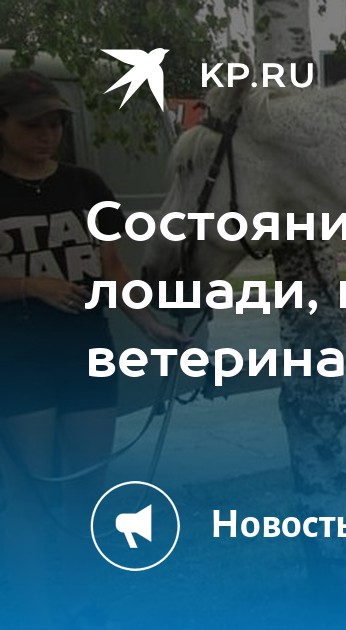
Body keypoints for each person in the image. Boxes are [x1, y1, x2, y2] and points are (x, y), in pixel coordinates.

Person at [0, 69, 190, 626]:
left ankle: (81, 606)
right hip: (18, 361)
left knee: (87, 493)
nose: (47, 135)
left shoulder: (86, 186)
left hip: (86, 354)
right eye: (32, 125)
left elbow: (111, 268)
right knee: (31, 497)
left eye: (55, 124)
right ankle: (31, 612)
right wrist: (30, 285)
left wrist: (149, 321)